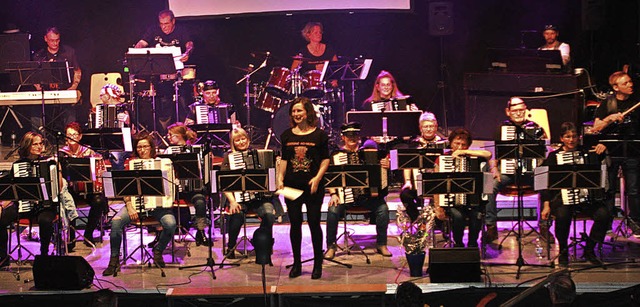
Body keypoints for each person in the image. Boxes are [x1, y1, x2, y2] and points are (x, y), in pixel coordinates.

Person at [103, 132, 177, 276]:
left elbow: (170, 188)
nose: (142, 150)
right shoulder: (131, 165)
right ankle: (113, 260)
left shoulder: (164, 164)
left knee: (170, 224)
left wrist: (169, 198)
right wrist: (130, 206)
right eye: (139, 147)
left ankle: (158, 251)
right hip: (135, 204)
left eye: (145, 147)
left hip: (158, 207)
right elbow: (125, 190)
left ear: (151, 148)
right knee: (116, 223)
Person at [540, 122, 610, 266]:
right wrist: (546, 205)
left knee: (605, 215)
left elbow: (604, 167)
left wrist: (604, 151)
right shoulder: (554, 157)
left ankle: (590, 250)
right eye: (567, 137)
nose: (571, 140)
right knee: (562, 216)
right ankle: (563, 251)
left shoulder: (588, 153)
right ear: (561, 138)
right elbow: (543, 182)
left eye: (574, 136)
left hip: (586, 199)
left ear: (579, 137)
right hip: (562, 199)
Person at [276, 97, 330, 279]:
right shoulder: (286, 135)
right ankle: (297, 263)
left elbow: (325, 159)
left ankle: (317, 264)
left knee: (314, 224)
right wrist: (280, 178)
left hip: (313, 186)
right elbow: (284, 159)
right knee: (295, 224)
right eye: (294, 111)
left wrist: (317, 178)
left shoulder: (320, 135)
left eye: (299, 111)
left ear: (308, 112)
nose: (296, 114)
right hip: (291, 186)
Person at [2, 132, 78, 256]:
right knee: (2, 219)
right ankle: (3, 256)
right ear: (27, 146)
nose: (39, 147)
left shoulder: (49, 163)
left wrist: (58, 170)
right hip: (24, 204)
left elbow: (58, 188)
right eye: (35, 144)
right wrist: (3, 205)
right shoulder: (18, 165)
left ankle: (44, 254)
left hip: (46, 206)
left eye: (40, 143)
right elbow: (13, 190)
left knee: (45, 220)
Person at [484, 97, 547, 243]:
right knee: (489, 186)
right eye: (515, 111)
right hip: (507, 172)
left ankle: (544, 226)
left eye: (521, 110)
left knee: (545, 182)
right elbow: (492, 152)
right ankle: (491, 226)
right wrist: (494, 169)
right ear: (508, 112)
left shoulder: (535, 127)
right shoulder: (501, 129)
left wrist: (539, 163)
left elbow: (544, 152)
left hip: (529, 172)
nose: (518, 113)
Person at [325, 122, 391, 259]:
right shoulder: (337, 155)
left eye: (354, 135)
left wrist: (386, 167)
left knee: (383, 210)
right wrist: (333, 194)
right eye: (348, 135)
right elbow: (330, 178)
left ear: (359, 136)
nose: (352, 138)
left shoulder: (371, 153)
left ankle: (381, 244)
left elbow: (383, 175)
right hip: (344, 197)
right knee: (332, 211)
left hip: (368, 198)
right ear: (343, 137)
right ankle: (331, 246)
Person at [592, 71, 640, 237]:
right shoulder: (607, 103)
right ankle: (607, 223)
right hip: (611, 151)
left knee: (633, 190)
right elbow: (596, 127)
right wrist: (610, 118)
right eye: (625, 83)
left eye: (630, 82)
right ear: (616, 87)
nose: (630, 85)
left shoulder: (636, 102)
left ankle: (635, 223)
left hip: (632, 150)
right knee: (610, 190)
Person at [220, 127, 277, 259]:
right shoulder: (229, 158)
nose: (241, 142)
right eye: (237, 140)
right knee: (236, 216)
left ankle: (261, 243)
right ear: (233, 143)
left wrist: (277, 167)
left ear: (248, 139)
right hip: (238, 198)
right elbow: (225, 184)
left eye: (243, 138)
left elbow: (271, 178)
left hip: (260, 199)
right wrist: (233, 201)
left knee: (269, 215)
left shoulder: (260, 154)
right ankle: (231, 246)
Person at [135, 9, 194, 131]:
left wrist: (187, 52)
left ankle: (184, 132)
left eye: (167, 24)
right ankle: (165, 134)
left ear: (173, 21)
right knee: (163, 106)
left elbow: (189, 44)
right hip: (160, 76)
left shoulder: (181, 30)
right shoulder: (153, 30)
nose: (164, 27)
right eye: (161, 24)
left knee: (183, 103)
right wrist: (136, 50)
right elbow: (142, 42)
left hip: (178, 73)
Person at [433, 128, 492, 248]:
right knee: (458, 216)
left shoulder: (474, 157)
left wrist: (466, 153)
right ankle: (458, 244)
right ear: (451, 143)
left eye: (463, 144)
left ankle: (472, 244)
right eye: (457, 143)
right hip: (451, 202)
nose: (460, 147)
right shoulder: (443, 159)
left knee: (477, 215)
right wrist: (438, 207)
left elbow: (488, 154)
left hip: (473, 202)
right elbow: (437, 185)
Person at [59, 122, 109, 246]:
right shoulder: (61, 153)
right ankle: (71, 237)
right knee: (66, 200)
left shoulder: (89, 152)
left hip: (89, 191)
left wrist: (100, 171)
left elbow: (100, 168)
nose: (72, 137)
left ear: (80, 136)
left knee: (99, 200)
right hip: (70, 191)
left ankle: (88, 233)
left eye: (75, 134)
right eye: (69, 134)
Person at [165, 122, 211, 246]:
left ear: (180, 136)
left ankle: (200, 232)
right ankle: (162, 235)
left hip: (192, 189)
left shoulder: (197, 150)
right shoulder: (168, 151)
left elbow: (204, 170)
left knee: (200, 202)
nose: (168, 137)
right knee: (162, 203)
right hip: (174, 190)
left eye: (171, 135)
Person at [31, 27, 82, 131]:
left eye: (57, 40)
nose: (55, 43)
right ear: (45, 39)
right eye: (52, 40)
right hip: (46, 91)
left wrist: (73, 87)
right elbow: (34, 75)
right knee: (36, 110)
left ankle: (70, 138)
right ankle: (39, 140)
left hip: (65, 90)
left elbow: (77, 71)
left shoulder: (69, 52)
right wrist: (37, 87)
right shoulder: (39, 55)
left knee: (69, 110)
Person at [400, 112, 447, 222]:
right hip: (418, 183)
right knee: (405, 195)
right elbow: (407, 164)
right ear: (421, 128)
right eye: (426, 126)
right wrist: (408, 181)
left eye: (431, 126)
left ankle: (440, 224)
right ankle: (418, 220)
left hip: (439, 184)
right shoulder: (413, 144)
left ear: (436, 127)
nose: (429, 129)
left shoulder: (444, 143)